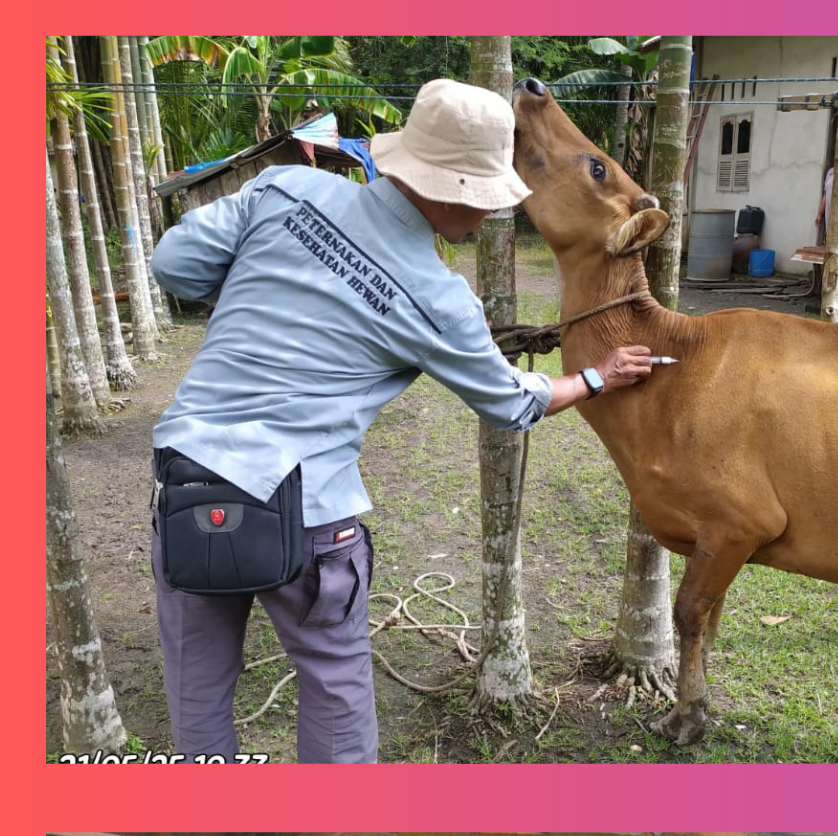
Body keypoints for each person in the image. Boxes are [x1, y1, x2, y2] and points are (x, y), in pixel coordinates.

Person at [148, 78, 658, 762]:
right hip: (307, 509)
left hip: (191, 484)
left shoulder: (285, 191)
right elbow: (509, 403)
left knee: (197, 689)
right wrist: (594, 377)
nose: (486, 218)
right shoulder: (438, 299)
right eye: (483, 199)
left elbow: (174, 263)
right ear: (450, 191)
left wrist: (259, 291)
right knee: (332, 687)